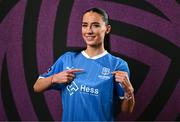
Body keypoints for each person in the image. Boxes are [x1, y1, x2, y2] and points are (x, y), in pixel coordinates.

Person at [33, 7, 135, 121]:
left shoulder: (118, 65)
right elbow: (37, 86)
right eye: (84, 25)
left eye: (95, 25)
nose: (89, 31)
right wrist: (54, 78)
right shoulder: (67, 59)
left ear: (107, 29)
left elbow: (127, 111)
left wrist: (129, 91)